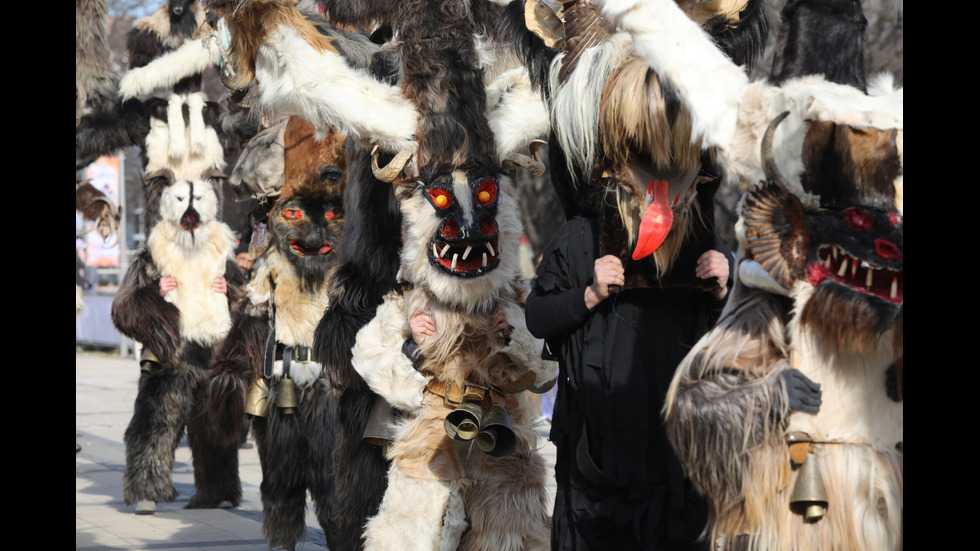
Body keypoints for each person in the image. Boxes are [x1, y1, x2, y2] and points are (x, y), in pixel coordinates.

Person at [525, 196, 732, 550]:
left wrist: (726, 288)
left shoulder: (701, 235)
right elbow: (538, 316)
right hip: (599, 461)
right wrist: (589, 295)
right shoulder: (580, 234)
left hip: (679, 460)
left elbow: (737, 336)